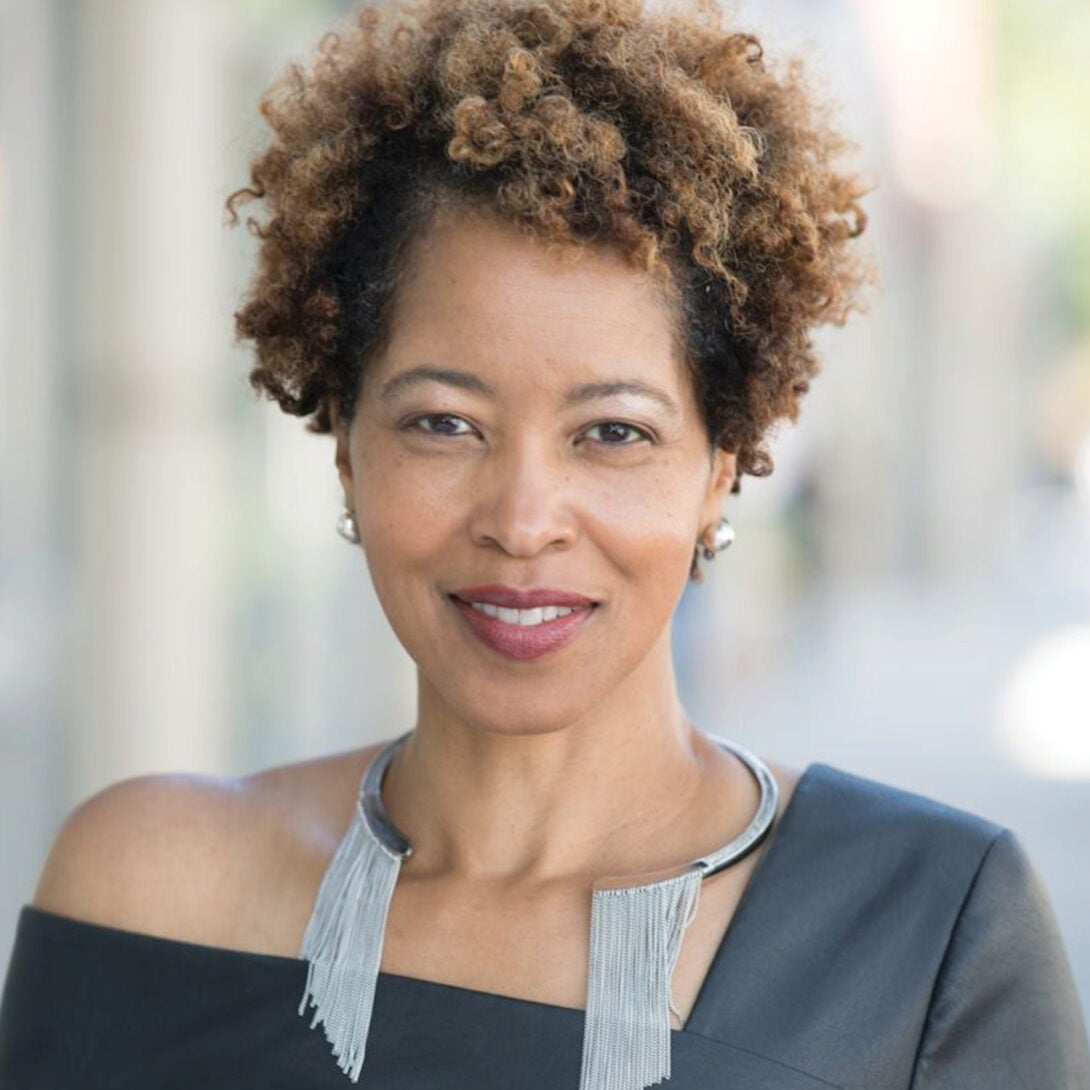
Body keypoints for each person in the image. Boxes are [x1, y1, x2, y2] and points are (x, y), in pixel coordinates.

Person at [1, 0, 1087, 1087]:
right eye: (443, 424)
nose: (522, 521)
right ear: (344, 443)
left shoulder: (927, 928)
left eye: (612, 433)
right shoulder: (146, 891)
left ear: (722, 463)